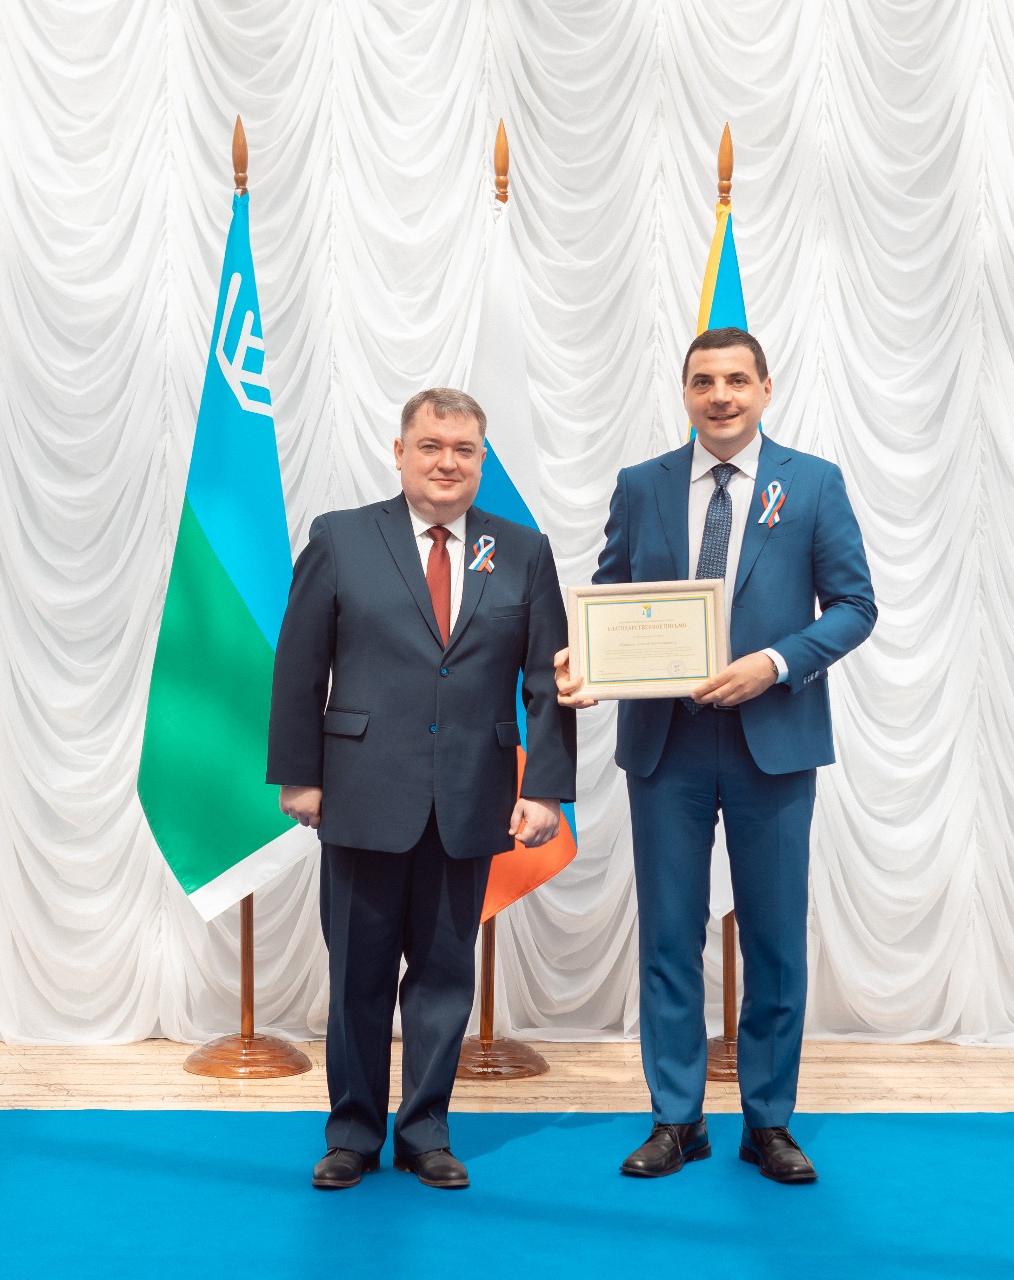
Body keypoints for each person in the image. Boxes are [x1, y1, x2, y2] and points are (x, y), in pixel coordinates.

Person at [556, 328, 876, 1184]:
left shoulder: (813, 483)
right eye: (704, 381)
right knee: (668, 934)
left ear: (766, 389)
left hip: (775, 743)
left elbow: (855, 606)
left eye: (737, 380)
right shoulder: (642, 485)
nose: (721, 395)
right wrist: (587, 658)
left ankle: (768, 1122)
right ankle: (677, 1119)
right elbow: (612, 595)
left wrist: (773, 664)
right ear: (686, 393)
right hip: (667, 746)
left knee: (775, 940)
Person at [269, 387, 576, 1191]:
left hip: (473, 797)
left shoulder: (523, 550)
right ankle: (352, 1134)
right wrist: (300, 773)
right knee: (358, 977)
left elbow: (546, 682)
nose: (447, 462)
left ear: (482, 459)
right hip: (361, 794)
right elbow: (299, 665)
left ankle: (426, 1133)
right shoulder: (340, 538)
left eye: (464, 449)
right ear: (400, 451)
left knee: (444, 979)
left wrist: (546, 789)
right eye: (432, 446)